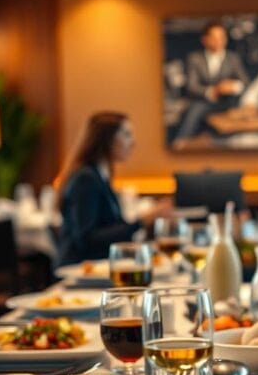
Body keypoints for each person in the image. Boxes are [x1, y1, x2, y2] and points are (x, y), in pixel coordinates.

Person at [56, 112, 172, 265]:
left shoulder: (101, 176)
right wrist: (142, 221)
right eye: (126, 135)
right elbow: (86, 239)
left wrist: (149, 221)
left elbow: (114, 228)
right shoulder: (86, 179)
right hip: (80, 269)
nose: (133, 142)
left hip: (98, 266)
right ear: (107, 139)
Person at [173, 21, 249, 143]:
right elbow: (191, 86)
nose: (219, 41)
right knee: (195, 109)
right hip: (203, 101)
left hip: (229, 101)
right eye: (214, 38)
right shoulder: (195, 59)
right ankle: (181, 142)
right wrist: (212, 91)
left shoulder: (232, 58)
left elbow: (244, 82)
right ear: (205, 40)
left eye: (222, 37)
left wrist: (233, 86)